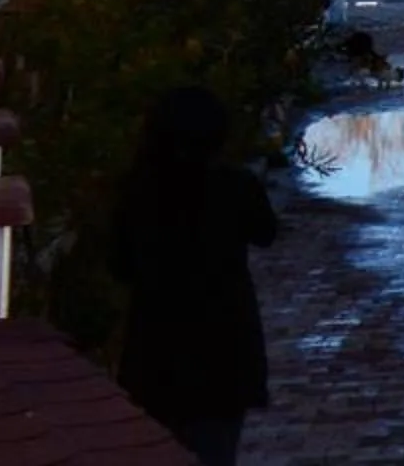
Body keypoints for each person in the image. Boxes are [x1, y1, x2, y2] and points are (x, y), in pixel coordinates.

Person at [110, 84, 278, 466]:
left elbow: (119, 266)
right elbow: (266, 233)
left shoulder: (137, 189)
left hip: (155, 349)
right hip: (225, 346)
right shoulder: (235, 185)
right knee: (217, 450)